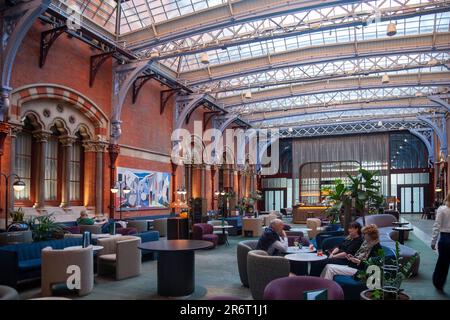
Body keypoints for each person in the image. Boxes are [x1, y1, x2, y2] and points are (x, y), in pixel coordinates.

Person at [431, 192, 450, 291]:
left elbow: (437, 226)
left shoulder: (442, 209)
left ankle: (438, 283)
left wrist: (433, 241)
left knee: (442, 263)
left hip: (445, 238)